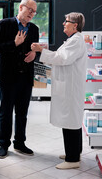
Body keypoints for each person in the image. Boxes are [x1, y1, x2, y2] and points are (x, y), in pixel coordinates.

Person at [31, 12, 87, 169]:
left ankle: (72, 159)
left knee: (70, 122)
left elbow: (62, 59)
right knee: (71, 121)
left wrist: (41, 51)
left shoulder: (76, 40)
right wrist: (45, 51)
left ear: (75, 25)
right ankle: (75, 152)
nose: (63, 23)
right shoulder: (73, 40)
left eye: (66, 21)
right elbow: (61, 56)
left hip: (70, 89)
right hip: (69, 87)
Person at [0, 0, 39, 158]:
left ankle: (20, 143)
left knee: (22, 113)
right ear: (21, 7)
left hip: (25, 78)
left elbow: (36, 49)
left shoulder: (34, 29)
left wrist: (35, 54)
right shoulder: (4, 24)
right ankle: (3, 144)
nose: (32, 13)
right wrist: (14, 43)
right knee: (5, 112)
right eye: (30, 10)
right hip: (8, 77)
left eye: (34, 11)